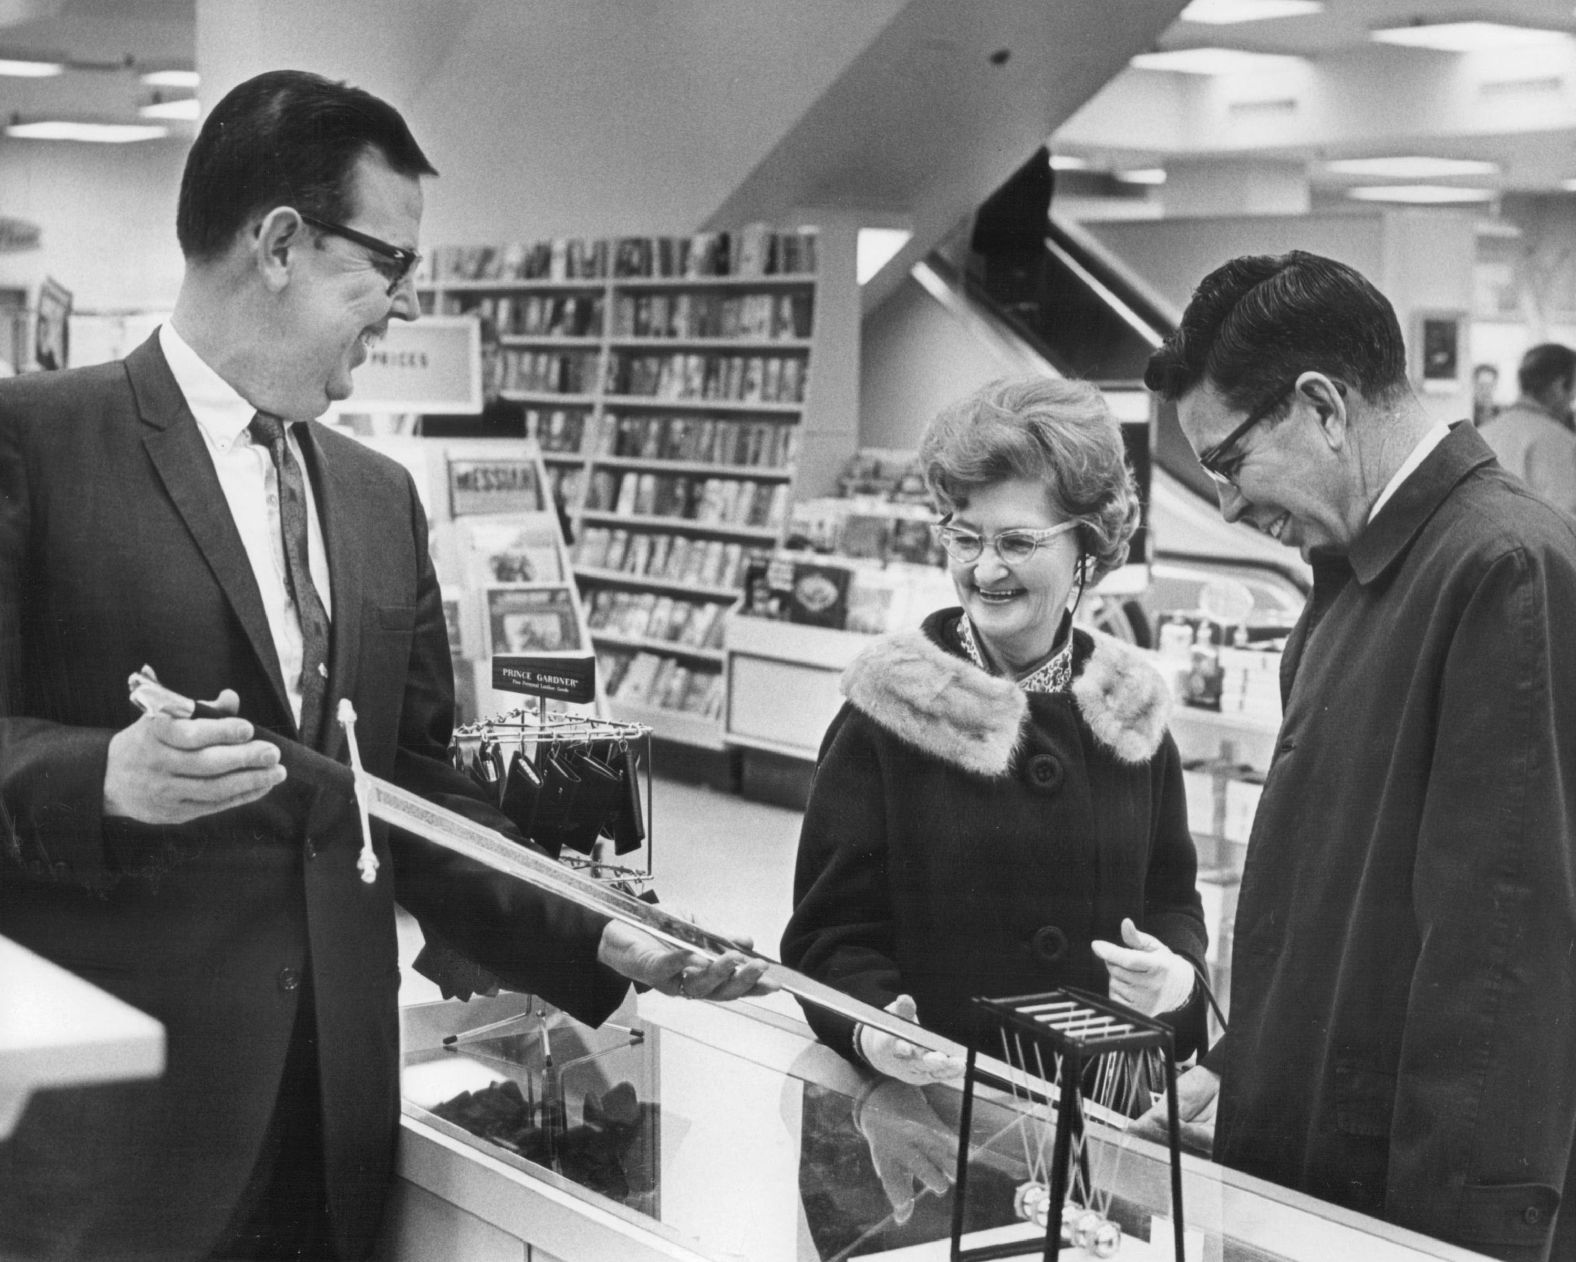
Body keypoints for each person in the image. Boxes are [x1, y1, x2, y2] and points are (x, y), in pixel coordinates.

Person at [0, 70, 766, 1262]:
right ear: (281, 243)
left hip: (335, 1131)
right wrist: (102, 775)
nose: (402, 307)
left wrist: (591, 929)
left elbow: (408, 784)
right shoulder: (33, 444)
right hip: (120, 1147)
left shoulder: (376, 499)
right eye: (391, 266)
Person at [1143, 250, 1576, 1262]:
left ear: (1321, 406)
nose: (1228, 506)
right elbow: (1337, 904)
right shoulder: (1358, 573)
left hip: (1402, 1219)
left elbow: (1500, 963)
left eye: (1227, 463)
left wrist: (1450, 1242)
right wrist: (1240, 1060)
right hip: (1314, 1185)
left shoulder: (1501, 569)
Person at [782, 374, 1209, 1088]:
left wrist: (1174, 978)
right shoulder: (889, 713)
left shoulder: (1130, 711)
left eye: (1016, 541)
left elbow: (1171, 900)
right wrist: (875, 1026)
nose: (985, 569)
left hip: (1098, 1126)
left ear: (1088, 545)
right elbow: (830, 937)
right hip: (937, 1132)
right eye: (963, 537)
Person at [1479, 342, 1576, 516]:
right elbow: (1565, 520)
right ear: (1559, 385)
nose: (1572, 398)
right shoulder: (1559, 440)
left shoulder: (1481, 434)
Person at [1471, 361, 1500, 427]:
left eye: (1490, 386)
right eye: (1482, 386)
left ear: (1495, 386)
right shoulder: (1467, 413)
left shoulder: (1501, 414)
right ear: (1474, 385)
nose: (1486, 391)